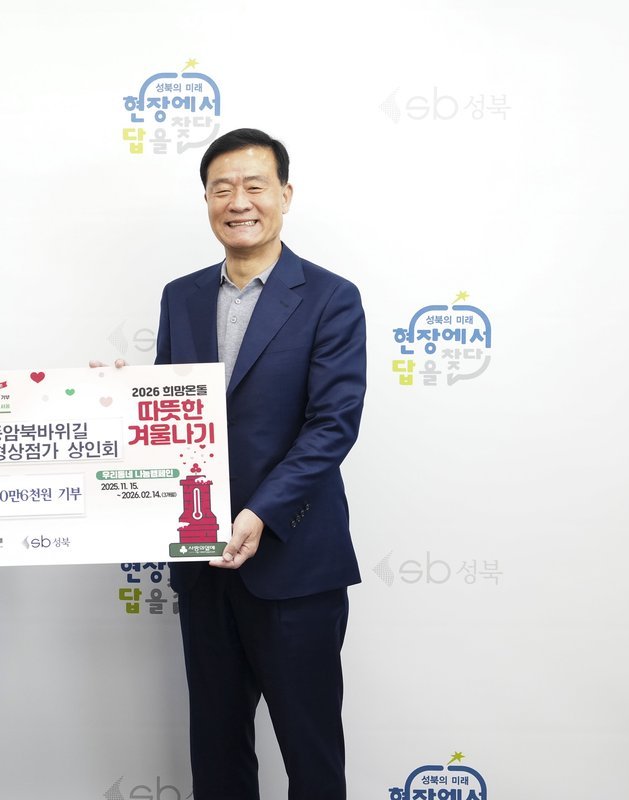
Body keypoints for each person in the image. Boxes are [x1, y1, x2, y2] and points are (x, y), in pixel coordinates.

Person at [157, 128, 366, 799]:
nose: (238, 202)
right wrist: (116, 402)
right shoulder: (180, 296)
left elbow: (332, 425)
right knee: (216, 753)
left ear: (285, 195)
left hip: (292, 559)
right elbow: (167, 411)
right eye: (222, 188)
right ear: (207, 201)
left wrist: (260, 512)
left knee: (311, 752)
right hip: (201, 560)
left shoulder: (331, 297)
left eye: (254, 186)